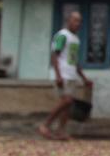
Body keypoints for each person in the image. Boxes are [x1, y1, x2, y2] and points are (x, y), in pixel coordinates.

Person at [39, 11, 92, 140]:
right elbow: (54, 55)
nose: (77, 24)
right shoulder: (62, 36)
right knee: (66, 101)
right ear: (68, 21)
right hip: (62, 74)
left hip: (72, 74)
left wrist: (84, 78)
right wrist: (58, 75)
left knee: (69, 104)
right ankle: (45, 124)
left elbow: (75, 61)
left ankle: (61, 131)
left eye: (79, 21)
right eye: (75, 20)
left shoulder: (76, 39)